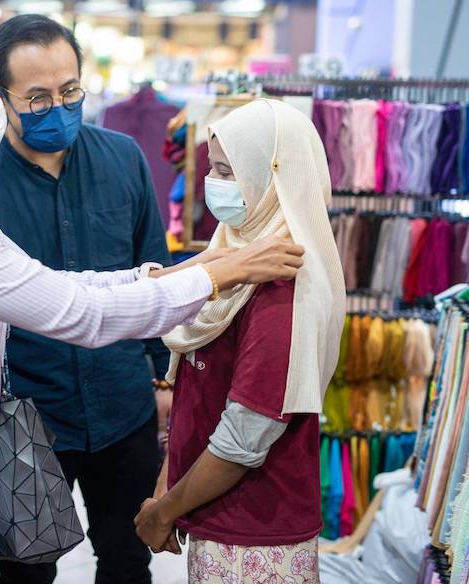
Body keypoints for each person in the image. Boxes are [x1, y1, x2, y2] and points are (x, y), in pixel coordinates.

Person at [0, 24, 304, 584]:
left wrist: (189, 269)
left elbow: (66, 283)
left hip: (37, 446)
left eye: (70, 91)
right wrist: (223, 273)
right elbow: (75, 312)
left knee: (124, 561)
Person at [0, 14, 174, 584]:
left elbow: (153, 270)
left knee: (129, 560)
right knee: (27, 572)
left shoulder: (123, 158)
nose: (57, 106)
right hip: (29, 413)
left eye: (70, 90)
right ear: (0, 97)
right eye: (36, 97)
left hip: (123, 405)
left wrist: (163, 381)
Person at [133, 99, 346, 584]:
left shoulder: (284, 278)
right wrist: (170, 482)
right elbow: (195, 387)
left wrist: (164, 510)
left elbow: (244, 437)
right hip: (219, 518)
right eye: (213, 169)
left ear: (271, 174)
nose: (216, 184)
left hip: (256, 535)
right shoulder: (234, 250)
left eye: (229, 171)